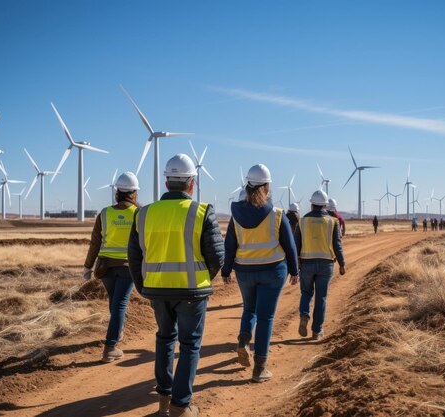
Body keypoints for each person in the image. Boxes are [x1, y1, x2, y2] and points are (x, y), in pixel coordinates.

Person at [128, 154, 224, 417]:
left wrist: (143, 287)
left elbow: (134, 257)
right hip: (192, 292)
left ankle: (163, 398)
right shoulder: (202, 212)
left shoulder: (144, 213)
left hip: (157, 290)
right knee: (190, 344)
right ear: (191, 183)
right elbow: (216, 256)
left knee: (164, 339)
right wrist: (203, 279)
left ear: (167, 182)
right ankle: (181, 406)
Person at [221, 163, 299, 383]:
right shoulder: (276, 214)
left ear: (248, 186)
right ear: (267, 186)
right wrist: (294, 270)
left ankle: (244, 340)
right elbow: (289, 245)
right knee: (266, 318)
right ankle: (260, 368)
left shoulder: (235, 215)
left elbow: (230, 245)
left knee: (249, 309)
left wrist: (226, 271)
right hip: (273, 272)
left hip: (245, 272)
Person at [83, 171, 140, 363]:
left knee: (115, 302)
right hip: (128, 267)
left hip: (105, 267)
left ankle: (117, 331)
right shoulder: (139, 213)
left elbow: (95, 243)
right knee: (120, 304)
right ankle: (110, 346)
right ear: (134, 193)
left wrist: (87, 267)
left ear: (117, 191)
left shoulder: (105, 213)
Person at [295, 190, 346, 340]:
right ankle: (317, 331)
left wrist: (296, 263)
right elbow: (338, 245)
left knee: (306, 293)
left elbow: (295, 244)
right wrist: (342, 263)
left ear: (311, 204)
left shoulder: (302, 221)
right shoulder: (333, 222)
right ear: (325, 205)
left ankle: (304, 315)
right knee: (321, 297)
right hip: (326, 264)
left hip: (307, 264)